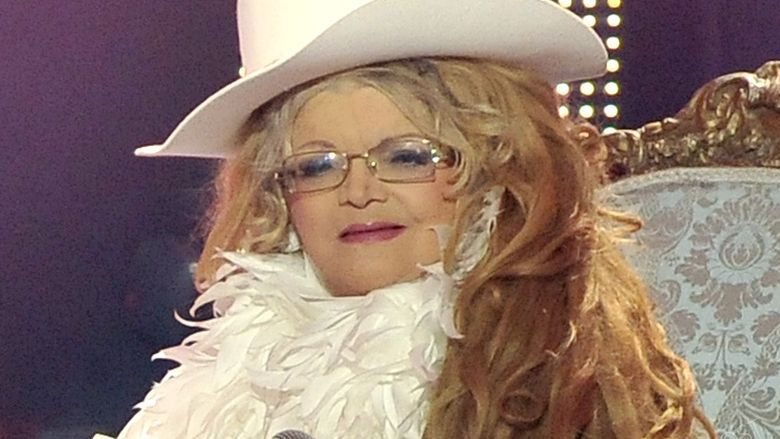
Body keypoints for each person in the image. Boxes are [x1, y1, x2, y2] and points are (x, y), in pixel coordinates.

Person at [103, 0, 716, 437]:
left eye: (407, 157)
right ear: (277, 198)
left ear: (496, 170)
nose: (358, 191)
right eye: (316, 166)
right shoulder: (220, 378)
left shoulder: (562, 372)